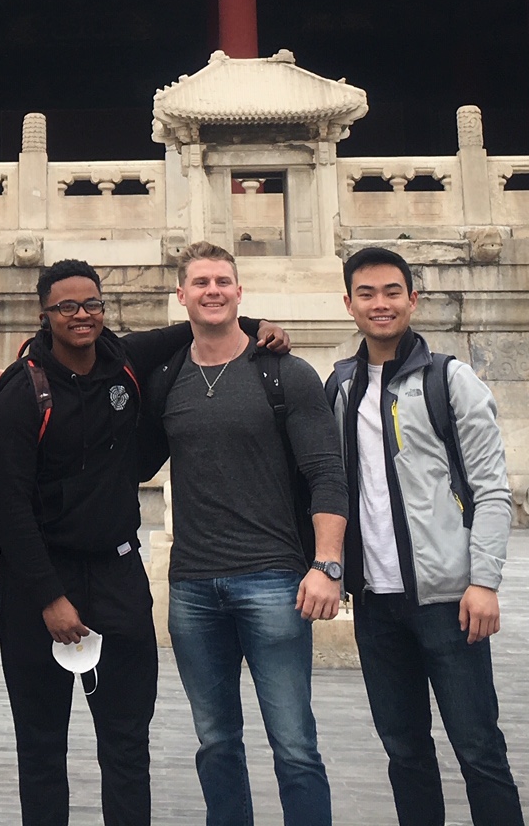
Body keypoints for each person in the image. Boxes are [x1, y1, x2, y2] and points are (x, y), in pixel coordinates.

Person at [0, 258, 287, 826]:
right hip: (38, 584)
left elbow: (199, 324)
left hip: (118, 577)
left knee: (126, 745)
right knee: (42, 746)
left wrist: (264, 324)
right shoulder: (24, 393)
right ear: (44, 314)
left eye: (92, 304)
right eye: (66, 306)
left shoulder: (124, 358)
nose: (81, 315)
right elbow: (7, 508)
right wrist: (50, 597)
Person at [141, 242, 349, 826]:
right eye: (200, 282)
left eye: (223, 281)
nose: (213, 291)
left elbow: (327, 473)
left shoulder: (285, 373)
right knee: (216, 743)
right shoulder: (167, 377)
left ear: (239, 292)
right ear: (181, 295)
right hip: (193, 588)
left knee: (295, 745)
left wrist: (327, 564)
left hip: (274, 581)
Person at [327, 247, 523, 826]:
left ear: (412, 299)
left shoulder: (450, 381)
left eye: (392, 292)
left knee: (479, 749)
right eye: (366, 294)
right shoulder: (340, 388)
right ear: (349, 303)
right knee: (405, 753)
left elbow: (492, 489)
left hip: (448, 601)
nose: (380, 304)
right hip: (375, 602)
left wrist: (484, 581)